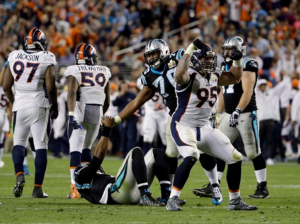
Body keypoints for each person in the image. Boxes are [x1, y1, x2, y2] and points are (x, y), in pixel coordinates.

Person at [113, 39, 218, 206]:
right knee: (170, 153)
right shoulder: (149, 75)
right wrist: (117, 119)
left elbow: (205, 74)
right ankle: (167, 193)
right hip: (176, 116)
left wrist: (212, 109)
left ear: (163, 52)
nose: (151, 57)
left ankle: (214, 185)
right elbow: (135, 102)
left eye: (154, 53)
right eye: (149, 55)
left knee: (205, 149)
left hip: (197, 113)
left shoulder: (177, 57)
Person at [166, 39, 257, 211]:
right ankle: (172, 199)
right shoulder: (188, 74)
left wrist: (237, 60)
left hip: (205, 127)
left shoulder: (214, 75)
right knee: (192, 155)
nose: (208, 62)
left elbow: (236, 78)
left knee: (236, 158)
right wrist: (190, 47)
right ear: (194, 60)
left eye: (210, 59)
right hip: (183, 125)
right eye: (204, 59)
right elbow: (179, 76)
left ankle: (235, 200)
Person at [194, 36, 270, 199]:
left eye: (231, 49)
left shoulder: (249, 63)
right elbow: (222, 92)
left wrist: (237, 110)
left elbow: (248, 91)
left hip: (246, 112)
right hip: (228, 113)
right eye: (226, 49)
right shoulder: (224, 64)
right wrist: (220, 113)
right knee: (220, 148)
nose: (228, 52)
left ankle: (262, 187)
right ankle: (214, 185)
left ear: (240, 50)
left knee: (252, 152)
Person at [3, 27, 58, 198]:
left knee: (18, 142)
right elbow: (51, 85)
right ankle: (37, 188)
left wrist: (15, 101)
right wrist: (54, 104)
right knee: (40, 145)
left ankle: (19, 175)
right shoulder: (46, 57)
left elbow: (5, 85)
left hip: (20, 104)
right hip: (39, 104)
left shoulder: (14, 55)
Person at [74, 116, 171, 206]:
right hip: (117, 193)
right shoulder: (80, 175)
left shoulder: (90, 180)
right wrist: (107, 129)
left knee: (157, 152)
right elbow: (97, 160)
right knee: (136, 152)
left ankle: (165, 196)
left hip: (130, 192)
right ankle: (145, 195)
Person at [64, 43, 111, 199]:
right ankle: (86, 185)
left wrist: (71, 113)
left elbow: (71, 92)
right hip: (97, 112)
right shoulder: (104, 71)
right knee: (87, 149)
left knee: (76, 149)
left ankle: (74, 187)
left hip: (80, 110)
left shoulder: (75, 70)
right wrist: (102, 114)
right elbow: (107, 99)